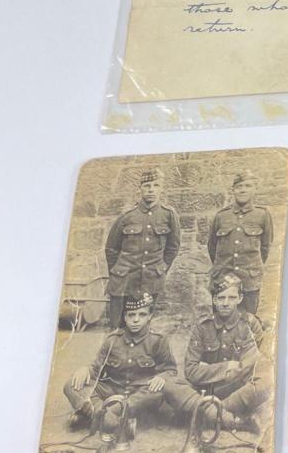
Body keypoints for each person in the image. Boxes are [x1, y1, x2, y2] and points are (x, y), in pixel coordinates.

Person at [168, 270, 271, 434]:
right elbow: (191, 370)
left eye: (231, 298)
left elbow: (250, 366)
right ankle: (228, 418)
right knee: (170, 383)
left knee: (267, 381)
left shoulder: (249, 324)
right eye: (221, 298)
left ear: (240, 298)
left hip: (237, 392)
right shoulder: (203, 327)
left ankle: (208, 413)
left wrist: (208, 369)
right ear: (214, 300)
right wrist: (227, 367)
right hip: (206, 389)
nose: (225, 303)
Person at [63, 291, 175, 439]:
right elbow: (96, 369)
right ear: (125, 317)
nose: (136, 320)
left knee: (157, 391)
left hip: (138, 394)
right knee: (71, 384)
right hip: (112, 390)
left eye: (142, 315)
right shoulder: (112, 340)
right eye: (131, 315)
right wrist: (86, 370)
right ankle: (114, 421)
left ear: (150, 316)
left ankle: (94, 415)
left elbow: (171, 369)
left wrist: (162, 376)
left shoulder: (158, 340)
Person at [104, 167, 180, 330]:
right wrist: (117, 271)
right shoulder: (127, 215)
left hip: (151, 278)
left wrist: (161, 268)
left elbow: (173, 247)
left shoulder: (168, 215)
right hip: (124, 279)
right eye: (147, 186)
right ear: (140, 188)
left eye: (155, 185)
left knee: (143, 324)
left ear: (161, 188)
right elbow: (111, 248)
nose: (151, 189)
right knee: (117, 326)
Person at [207, 169, 274, 316]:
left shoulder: (262, 215)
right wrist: (221, 268)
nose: (243, 190)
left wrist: (252, 268)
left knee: (247, 320)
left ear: (255, 189)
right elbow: (212, 247)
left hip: (249, 280)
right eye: (239, 187)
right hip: (223, 278)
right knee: (220, 319)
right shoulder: (221, 216)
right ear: (233, 190)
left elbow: (265, 248)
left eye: (248, 186)